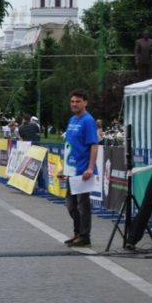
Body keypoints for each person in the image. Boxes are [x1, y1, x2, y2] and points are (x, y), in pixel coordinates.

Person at [62, 89, 99, 248]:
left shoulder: (88, 120)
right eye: (72, 101)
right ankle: (77, 232)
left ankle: (85, 236)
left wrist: (90, 168)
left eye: (78, 101)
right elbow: (69, 145)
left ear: (85, 103)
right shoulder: (72, 120)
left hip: (83, 170)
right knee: (71, 205)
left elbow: (94, 145)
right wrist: (63, 168)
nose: (74, 104)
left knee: (82, 206)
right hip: (71, 170)